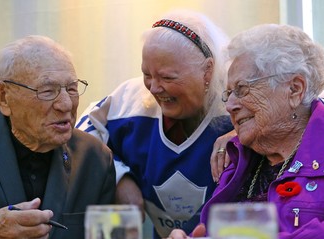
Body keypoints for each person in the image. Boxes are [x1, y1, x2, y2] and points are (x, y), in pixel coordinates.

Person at [168, 23, 324, 239]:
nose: (230, 105)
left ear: (295, 89)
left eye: (241, 90)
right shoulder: (238, 158)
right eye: (228, 93)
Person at [76, 10, 234, 238]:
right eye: (147, 74)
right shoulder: (130, 101)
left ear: (207, 69)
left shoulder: (235, 107)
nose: (154, 88)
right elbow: (80, 138)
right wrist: (119, 177)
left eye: (168, 77)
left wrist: (244, 133)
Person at [0, 35, 116, 239]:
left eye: (72, 88)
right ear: (3, 96)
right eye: (47, 91)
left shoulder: (95, 158)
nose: (66, 104)